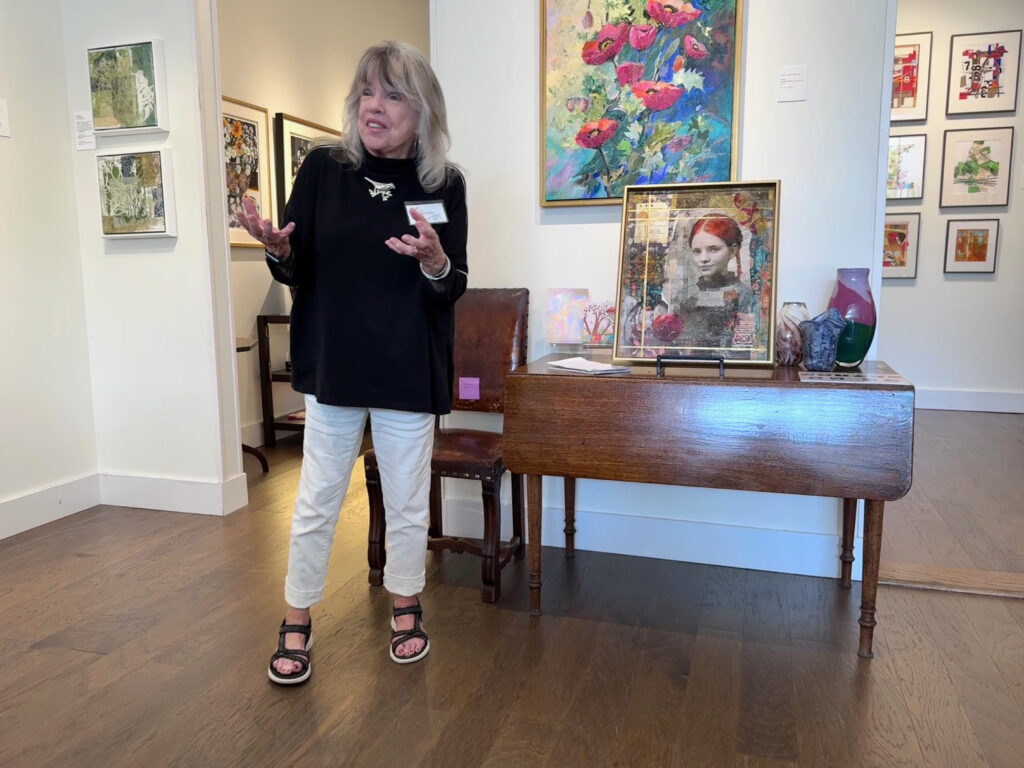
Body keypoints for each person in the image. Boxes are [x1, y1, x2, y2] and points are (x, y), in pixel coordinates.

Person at [235, 41, 468, 684]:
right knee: (317, 498)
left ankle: (405, 606)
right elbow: (296, 265)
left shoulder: (444, 184)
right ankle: (297, 617)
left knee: (407, 500)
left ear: (423, 112)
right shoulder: (322, 170)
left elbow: (452, 286)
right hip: (336, 360)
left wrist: (435, 261)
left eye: (393, 95)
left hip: (406, 364)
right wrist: (278, 250)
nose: (375, 106)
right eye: (367, 92)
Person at [676, 214, 755, 349]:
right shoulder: (686, 295)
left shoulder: (745, 295)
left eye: (713, 249)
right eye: (697, 251)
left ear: (732, 251)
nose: (703, 259)